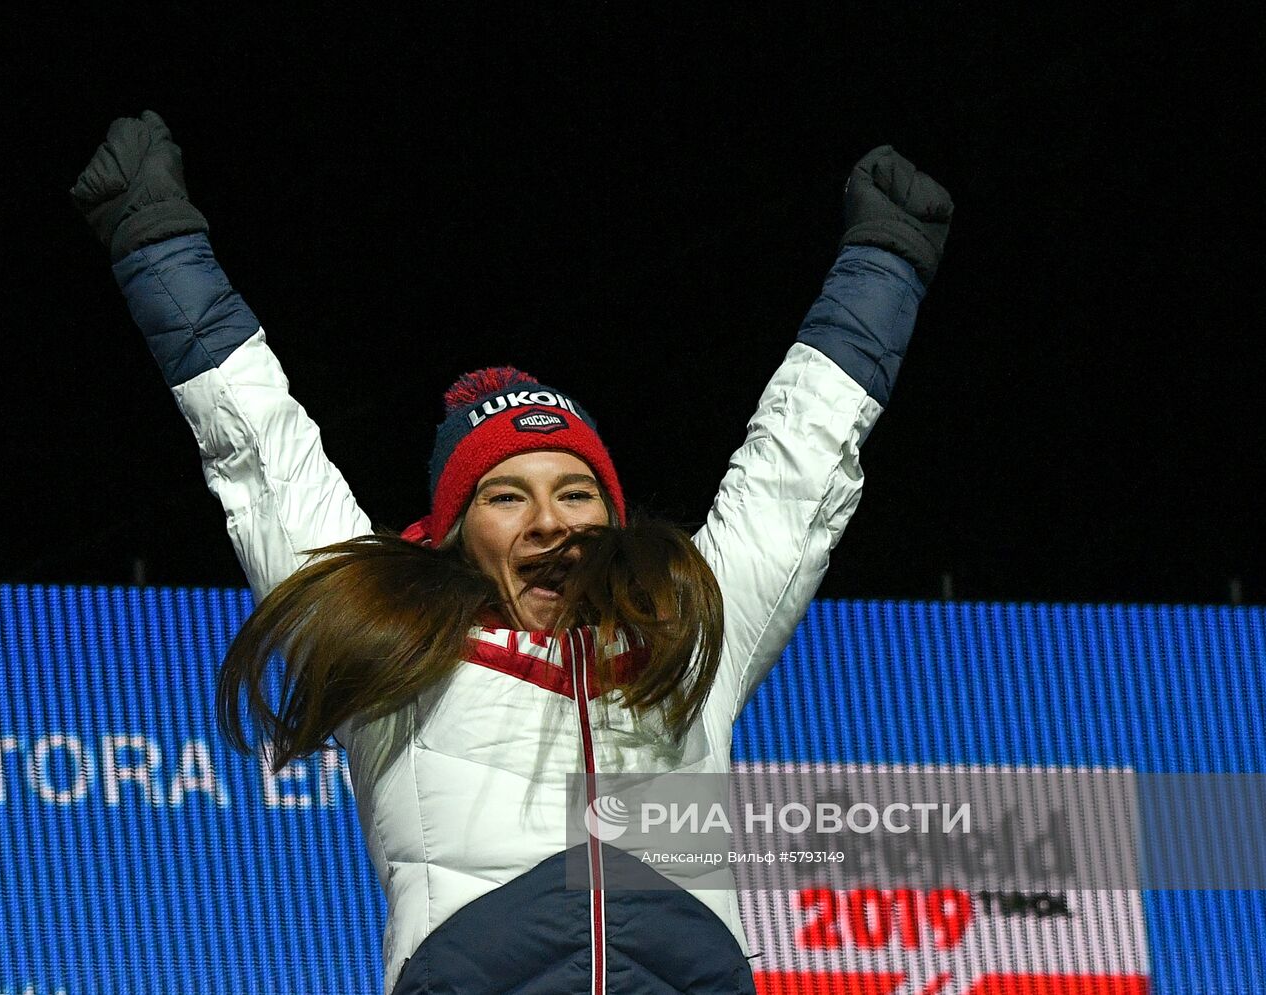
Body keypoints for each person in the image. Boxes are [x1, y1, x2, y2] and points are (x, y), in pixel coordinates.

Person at [72, 111, 951, 995]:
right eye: (505, 495)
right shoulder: (392, 646)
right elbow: (261, 455)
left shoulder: (689, 633)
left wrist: (884, 262)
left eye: (576, 493)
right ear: (454, 533)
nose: (548, 522)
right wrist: (157, 243)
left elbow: (798, 471)